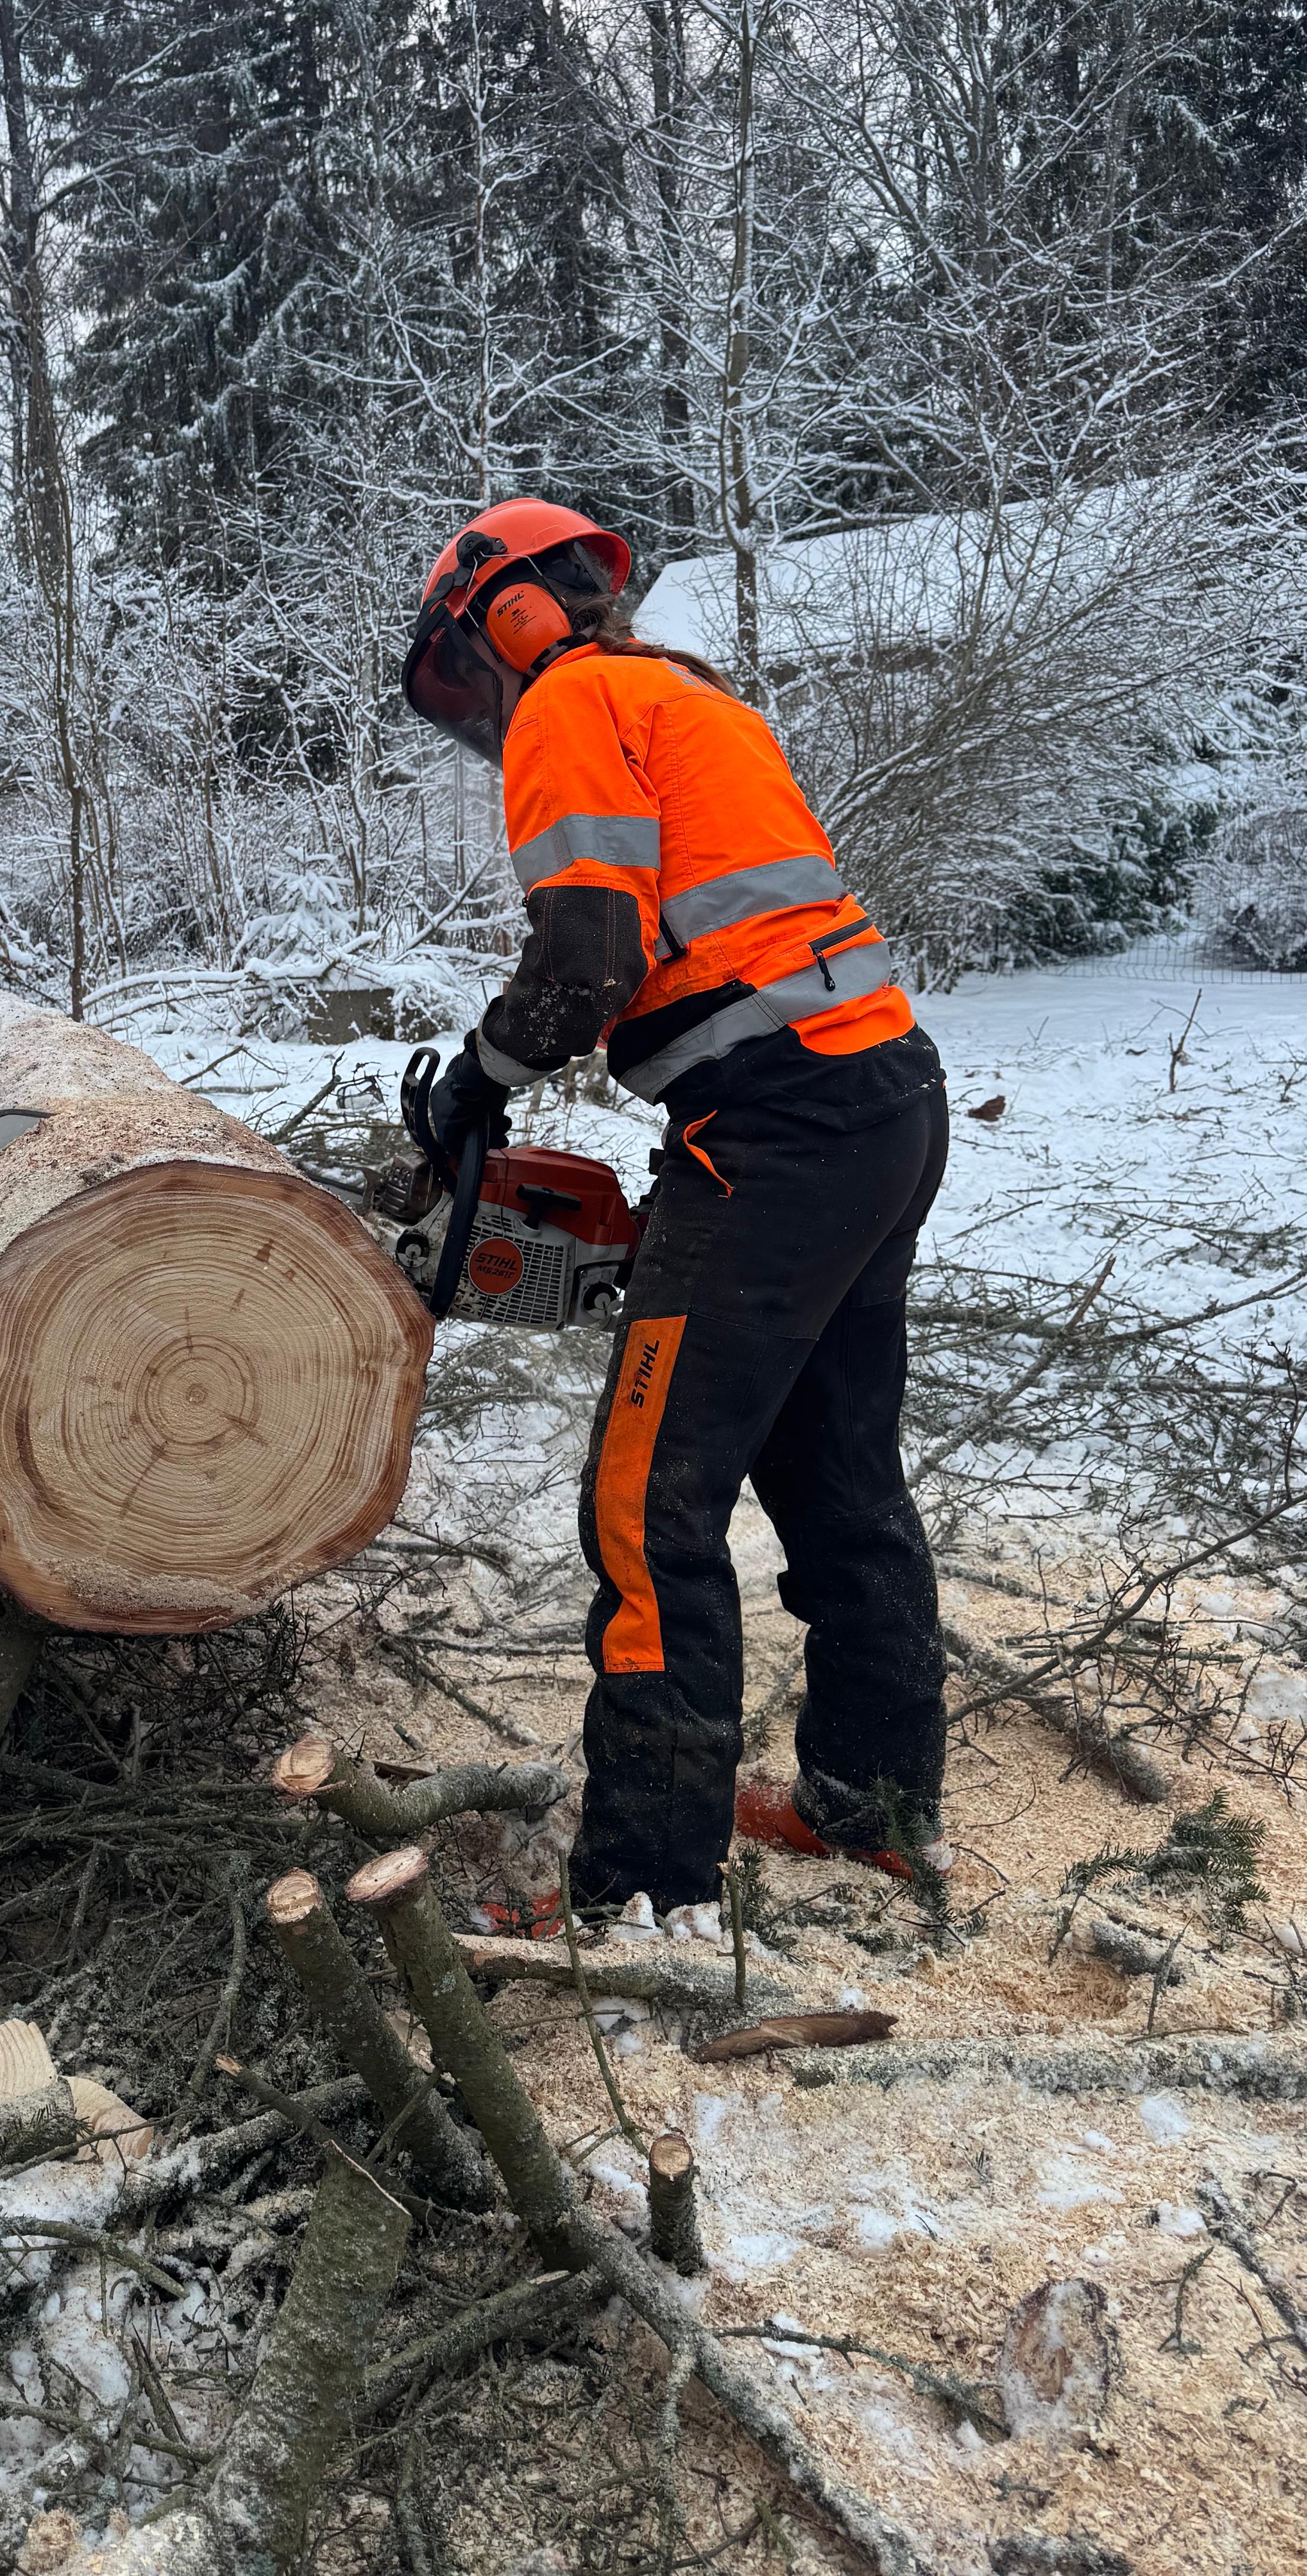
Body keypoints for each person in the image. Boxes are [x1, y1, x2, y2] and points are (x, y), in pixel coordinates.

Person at [400, 494, 949, 1915]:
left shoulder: (572, 704)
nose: (481, 703)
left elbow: (588, 960)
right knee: (840, 1480)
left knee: (648, 1503)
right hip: (881, 1097)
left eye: (470, 665)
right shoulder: (692, 699)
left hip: (772, 1129)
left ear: (510, 614)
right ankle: (873, 1801)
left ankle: (643, 1890)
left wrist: (477, 1080)